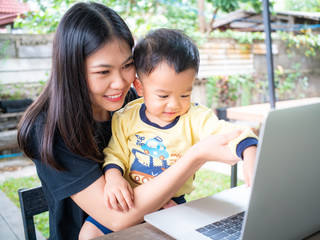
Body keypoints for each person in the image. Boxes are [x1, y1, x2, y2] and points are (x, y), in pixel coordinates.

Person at [16, 2, 254, 240]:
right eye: (103, 72)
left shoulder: (130, 102)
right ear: (73, 69)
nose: (120, 83)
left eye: (127, 66)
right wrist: (195, 156)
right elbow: (115, 217)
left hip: (146, 227)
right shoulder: (49, 128)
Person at [79, 28, 258, 239]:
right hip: (129, 199)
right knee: (88, 234)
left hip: (171, 203)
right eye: (163, 95)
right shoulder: (125, 116)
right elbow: (114, 153)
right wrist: (113, 177)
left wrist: (250, 154)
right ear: (140, 86)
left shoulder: (195, 117)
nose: (174, 104)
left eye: (185, 94)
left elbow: (233, 132)